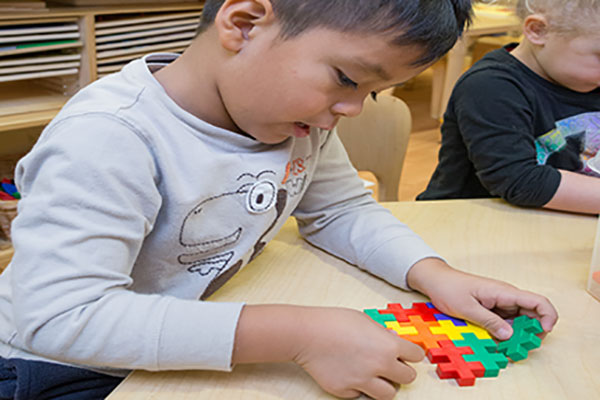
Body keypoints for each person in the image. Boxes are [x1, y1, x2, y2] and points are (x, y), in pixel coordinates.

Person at [0, 1, 558, 399]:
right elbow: (61, 317)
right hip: (55, 367)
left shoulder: (296, 121)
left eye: (372, 91)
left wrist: (434, 274)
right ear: (244, 24)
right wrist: (299, 333)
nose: (354, 109)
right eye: (346, 77)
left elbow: (340, 210)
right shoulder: (108, 137)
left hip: (182, 334)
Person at [418, 0, 600, 214]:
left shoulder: (586, 77)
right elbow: (521, 180)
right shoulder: (489, 87)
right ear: (538, 31)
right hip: (466, 223)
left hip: (556, 222)